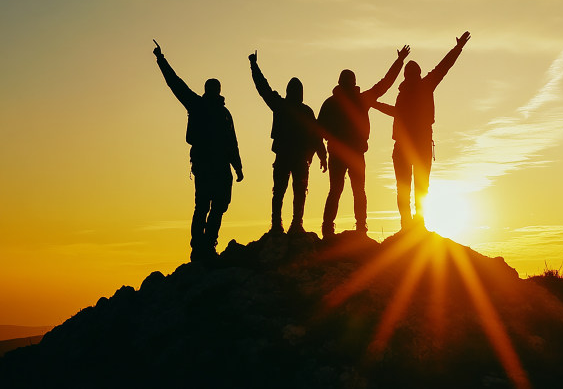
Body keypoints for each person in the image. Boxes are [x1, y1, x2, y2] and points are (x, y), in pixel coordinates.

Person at [153, 40, 244, 262]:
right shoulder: (198, 105)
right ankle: (199, 247)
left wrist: (238, 166)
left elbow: (232, 142)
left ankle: (208, 243)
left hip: (220, 166)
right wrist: (161, 60)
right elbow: (175, 83)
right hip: (205, 165)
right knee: (204, 204)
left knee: (219, 205)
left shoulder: (224, 113)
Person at [373, 32, 470, 231]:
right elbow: (443, 67)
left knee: (410, 188)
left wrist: (375, 105)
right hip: (414, 145)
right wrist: (458, 47)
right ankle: (413, 224)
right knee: (417, 187)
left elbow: (444, 67)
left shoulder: (418, 88)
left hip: (408, 146)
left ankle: (411, 225)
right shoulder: (423, 86)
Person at [318, 45, 411, 238]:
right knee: (352, 191)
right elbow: (385, 84)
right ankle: (356, 228)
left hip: (341, 152)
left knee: (342, 191)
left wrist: (400, 61)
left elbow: (319, 131)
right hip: (348, 152)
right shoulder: (356, 100)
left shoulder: (332, 102)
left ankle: (335, 229)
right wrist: (399, 60)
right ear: (352, 83)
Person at [248, 50, 327, 235]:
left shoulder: (285, 107)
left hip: (293, 157)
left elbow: (263, 89)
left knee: (288, 192)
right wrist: (254, 66)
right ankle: (284, 224)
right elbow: (263, 88)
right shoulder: (298, 109)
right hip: (291, 157)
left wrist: (323, 156)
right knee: (289, 191)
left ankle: (290, 224)